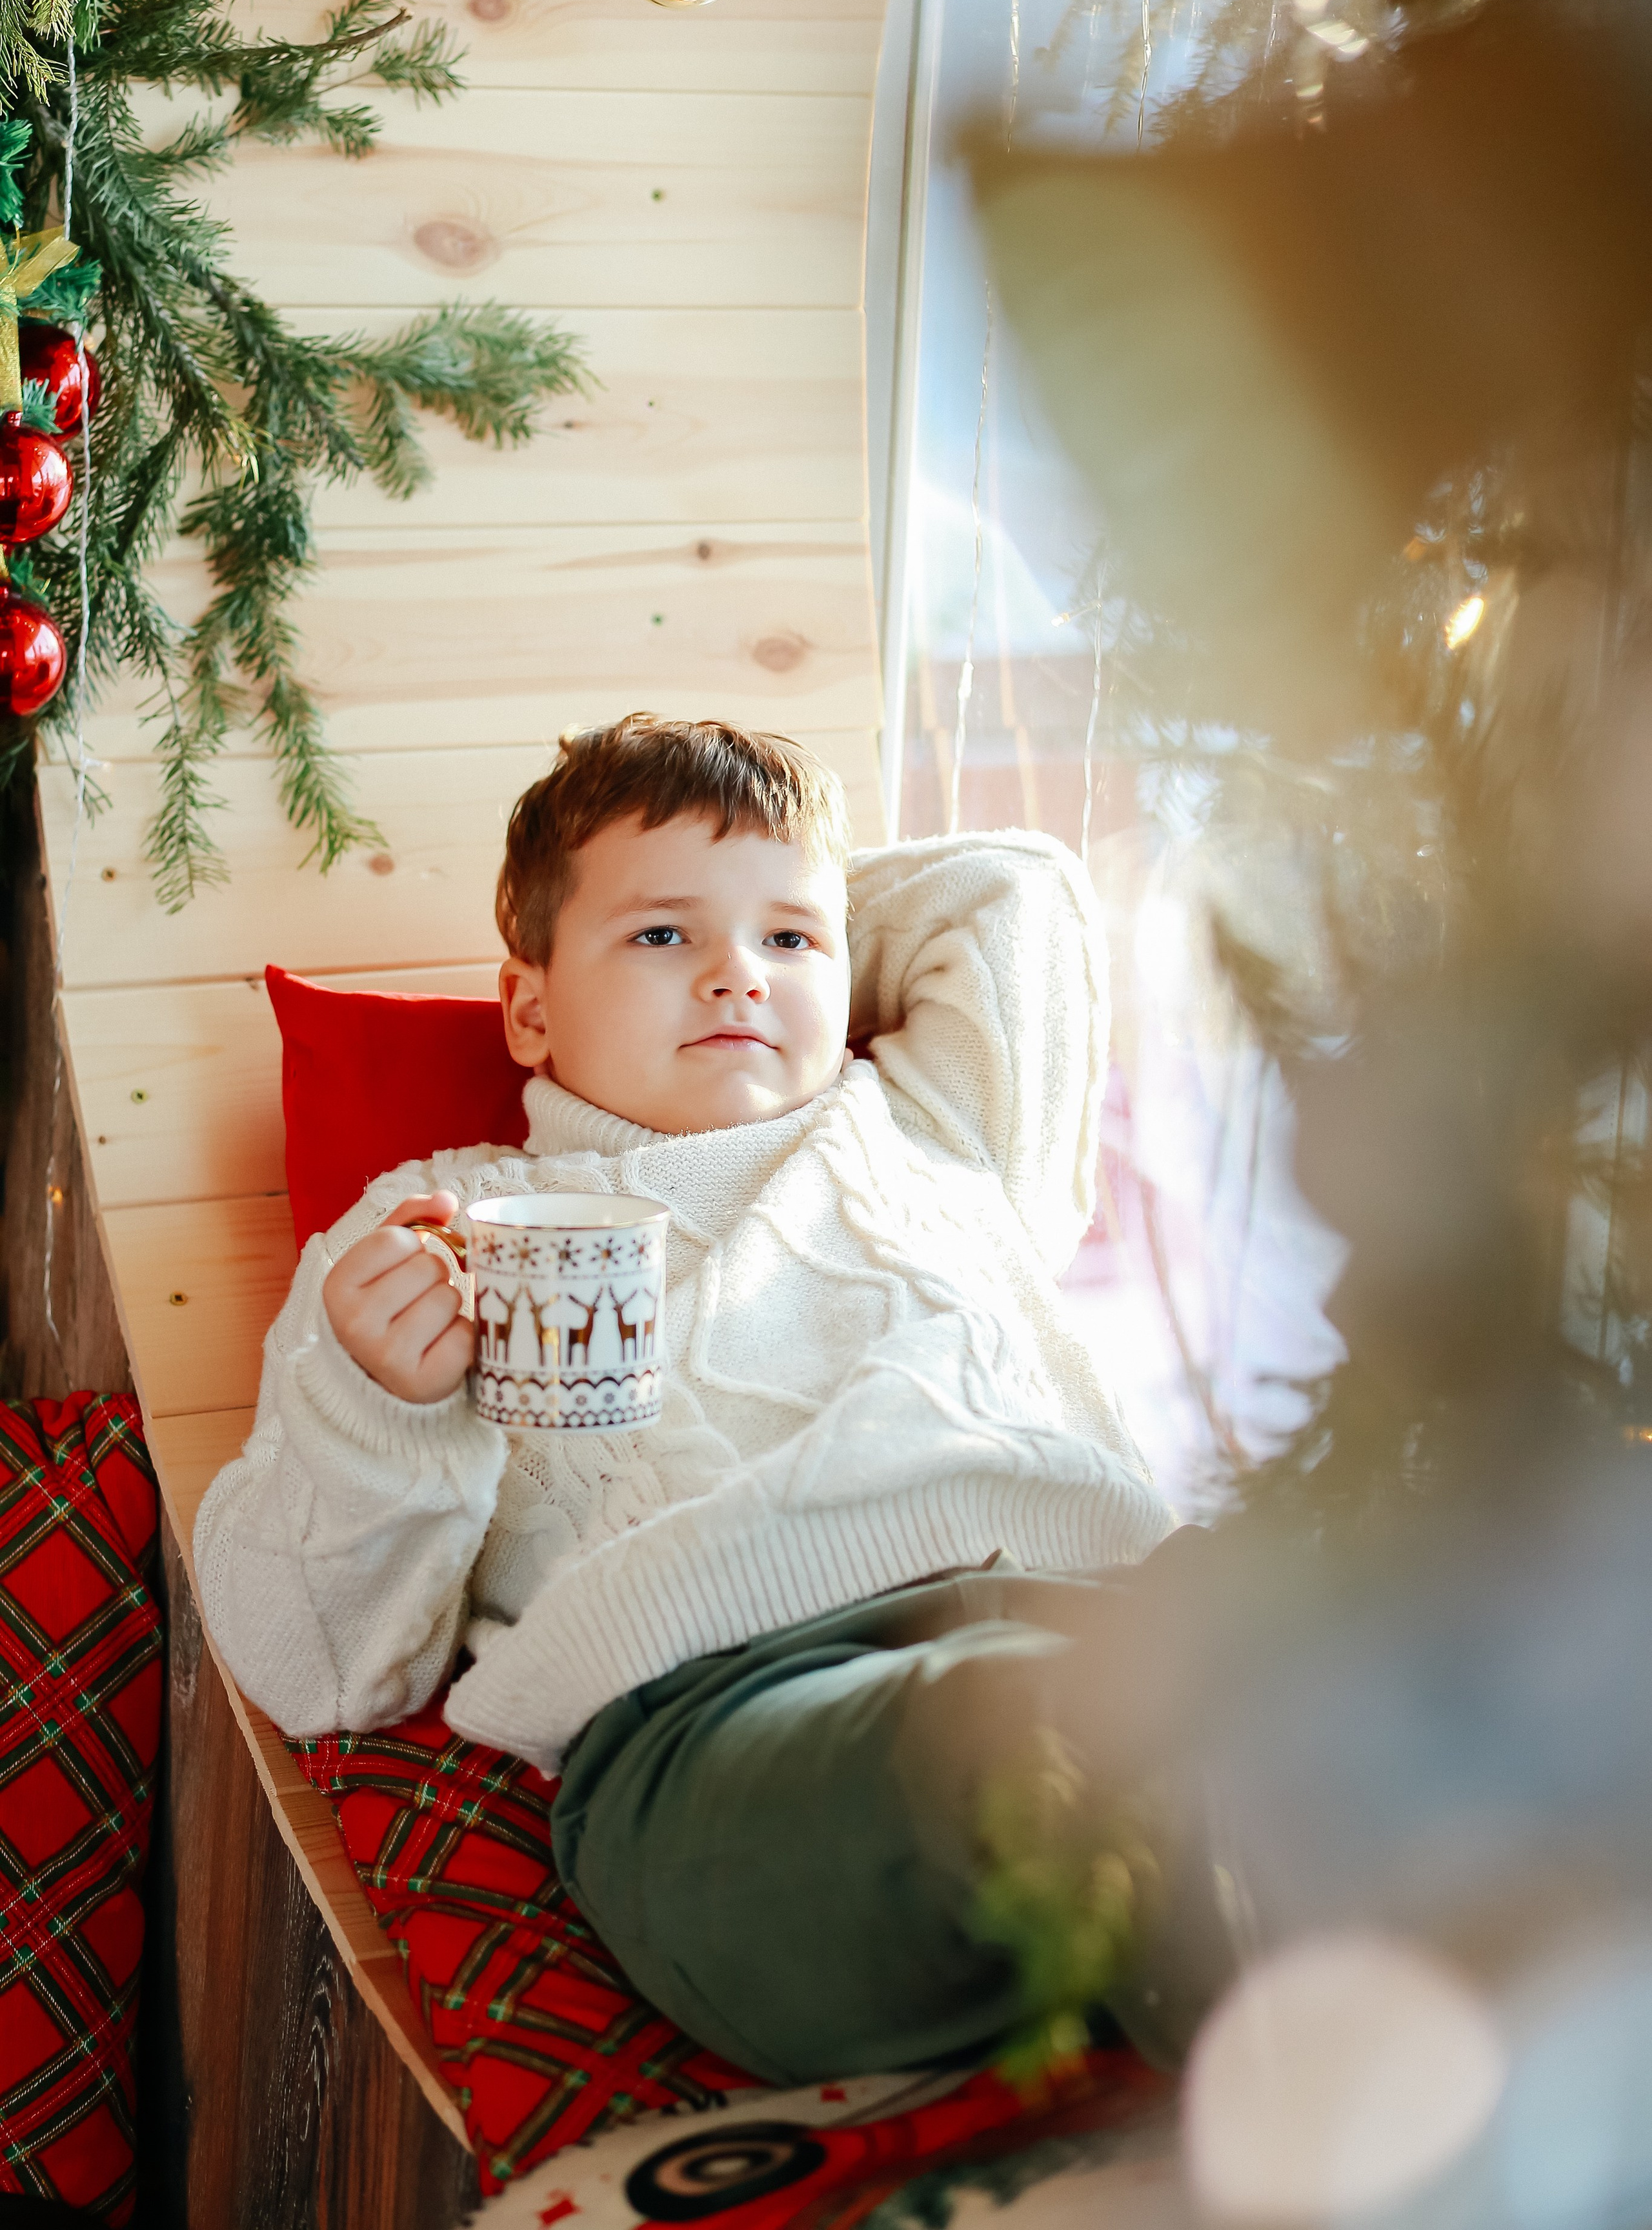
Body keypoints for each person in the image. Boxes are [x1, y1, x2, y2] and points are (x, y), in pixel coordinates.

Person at [196, 713, 1186, 2083]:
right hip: (718, 1716)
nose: (735, 976)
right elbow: (309, 1669)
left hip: (1084, 1598)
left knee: (1292, 1679)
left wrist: (779, 911)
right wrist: (378, 1411)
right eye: (662, 940)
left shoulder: (927, 1126)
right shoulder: (441, 1226)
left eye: (789, 943)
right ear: (528, 1008)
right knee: (1014, 1742)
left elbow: (1008, 890)